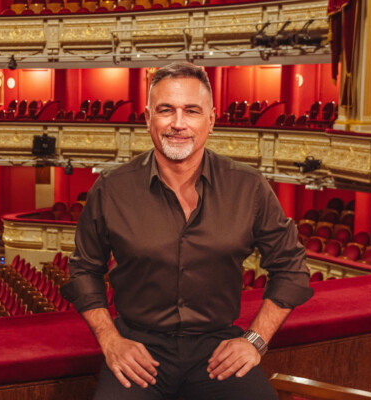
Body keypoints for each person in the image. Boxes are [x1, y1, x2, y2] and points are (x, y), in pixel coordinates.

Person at [61, 62, 313, 400]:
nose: (178, 123)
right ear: (148, 117)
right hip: (139, 347)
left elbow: (292, 268)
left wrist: (255, 340)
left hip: (217, 349)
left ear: (211, 120)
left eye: (191, 111)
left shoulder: (249, 187)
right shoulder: (111, 188)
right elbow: (83, 270)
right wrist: (110, 340)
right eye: (166, 110)